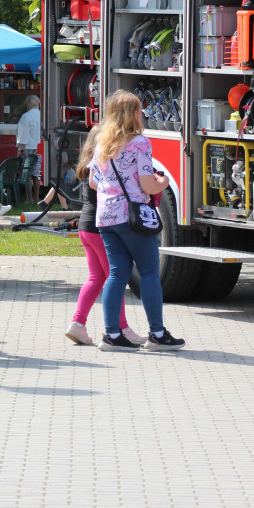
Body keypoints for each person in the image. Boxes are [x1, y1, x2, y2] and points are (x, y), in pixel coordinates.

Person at [90, 89, 185, 352]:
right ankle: (157, 334)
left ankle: (112, 335)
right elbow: (147, 185)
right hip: (133, 217)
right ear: (133, 113)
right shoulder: (140, 143)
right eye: (139, 110)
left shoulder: (102, 143)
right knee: (149, 272)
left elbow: (93, 182)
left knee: (117, 273)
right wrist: (163, 182)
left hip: (106, 216)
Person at [65, 126, 146, 347]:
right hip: (99, 229)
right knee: (116, 277)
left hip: (85, 227)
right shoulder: (101, 165)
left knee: (96, 278)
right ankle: (122, 328)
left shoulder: (88, 166)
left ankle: (78, 324)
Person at [15, 94, 42, 199]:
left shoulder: (26, 116)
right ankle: (37, 197)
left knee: (28, 173)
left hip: (28, 147)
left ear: (28, 105)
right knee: (37, 173)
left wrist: (19, 149)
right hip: (40, 148)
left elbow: (22, 135)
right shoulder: (43, 116)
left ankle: (28, 198)